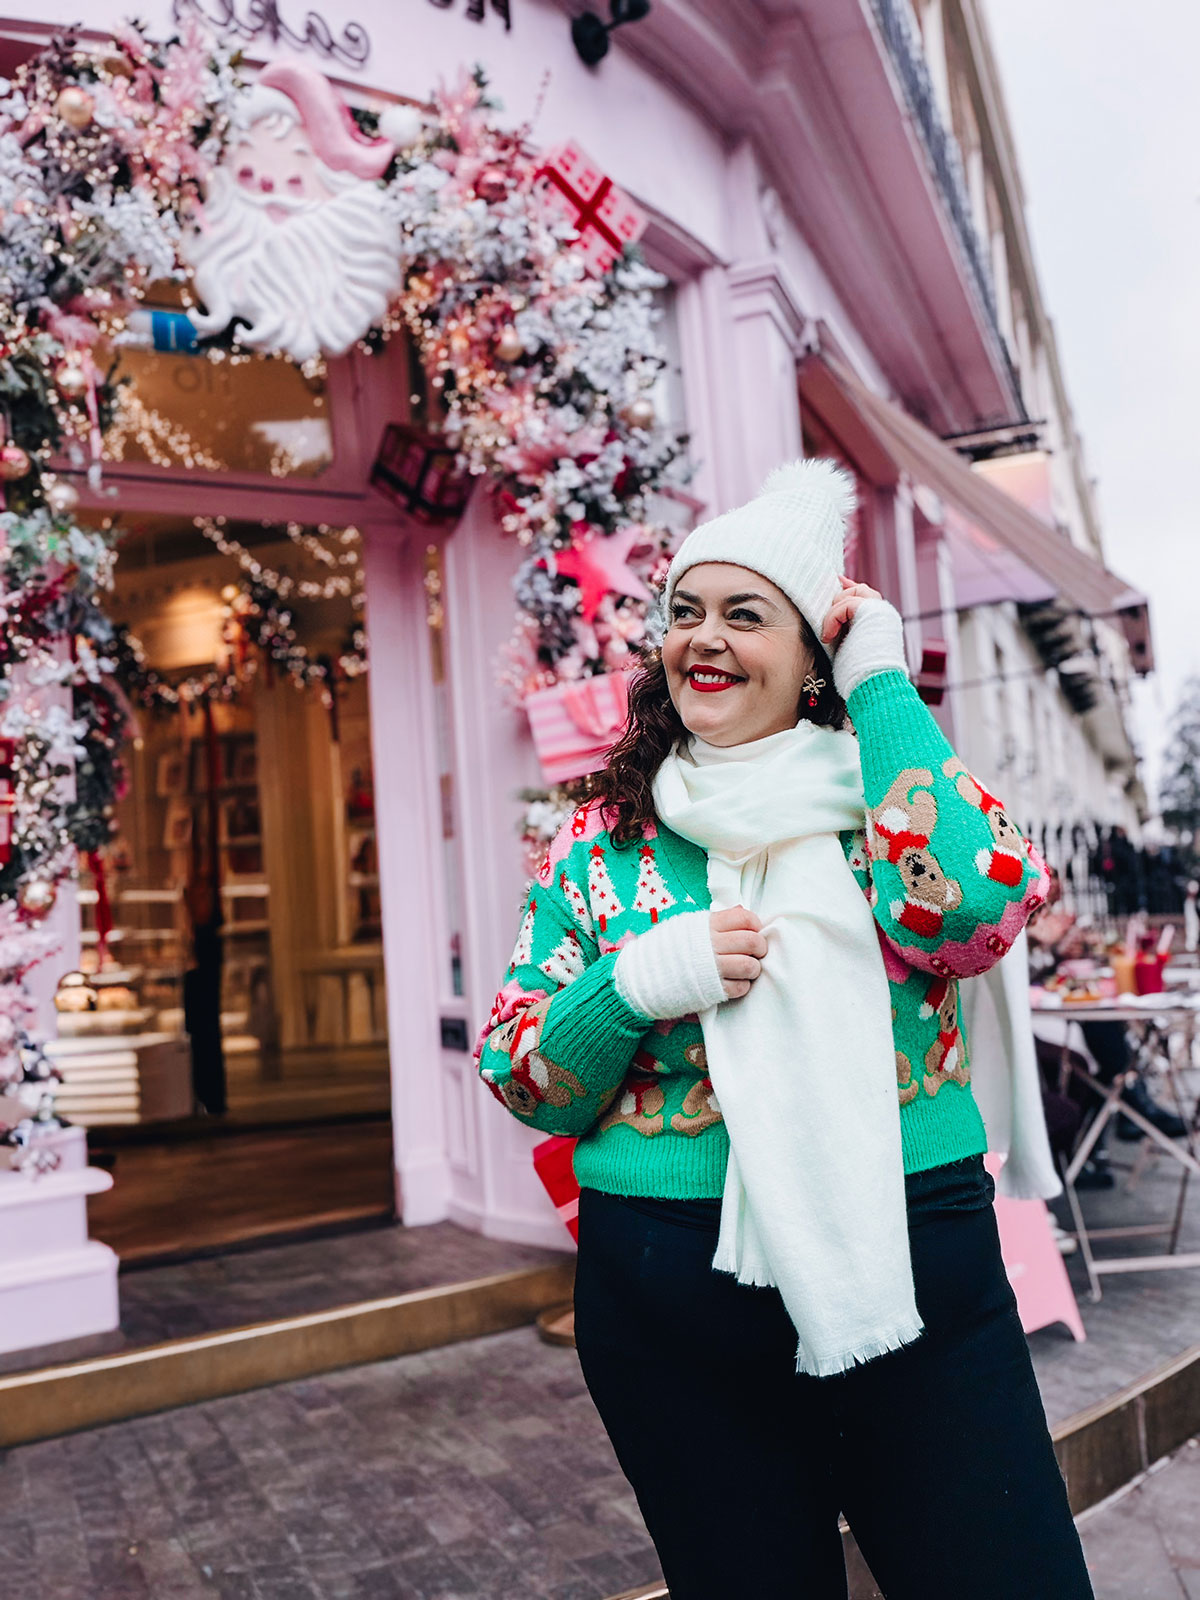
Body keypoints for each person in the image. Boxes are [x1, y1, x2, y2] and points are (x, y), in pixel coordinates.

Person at [476, 461, 1094, 1600]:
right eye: (685, 612)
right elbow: (526, 1077)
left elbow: (975, 906)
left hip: (912, 1265)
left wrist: (883, 687)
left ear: (813, 654)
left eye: (745, 614)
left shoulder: (889, 799)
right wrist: (633, 984)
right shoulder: (602, 841)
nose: (702, 638)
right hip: (669, 1298)